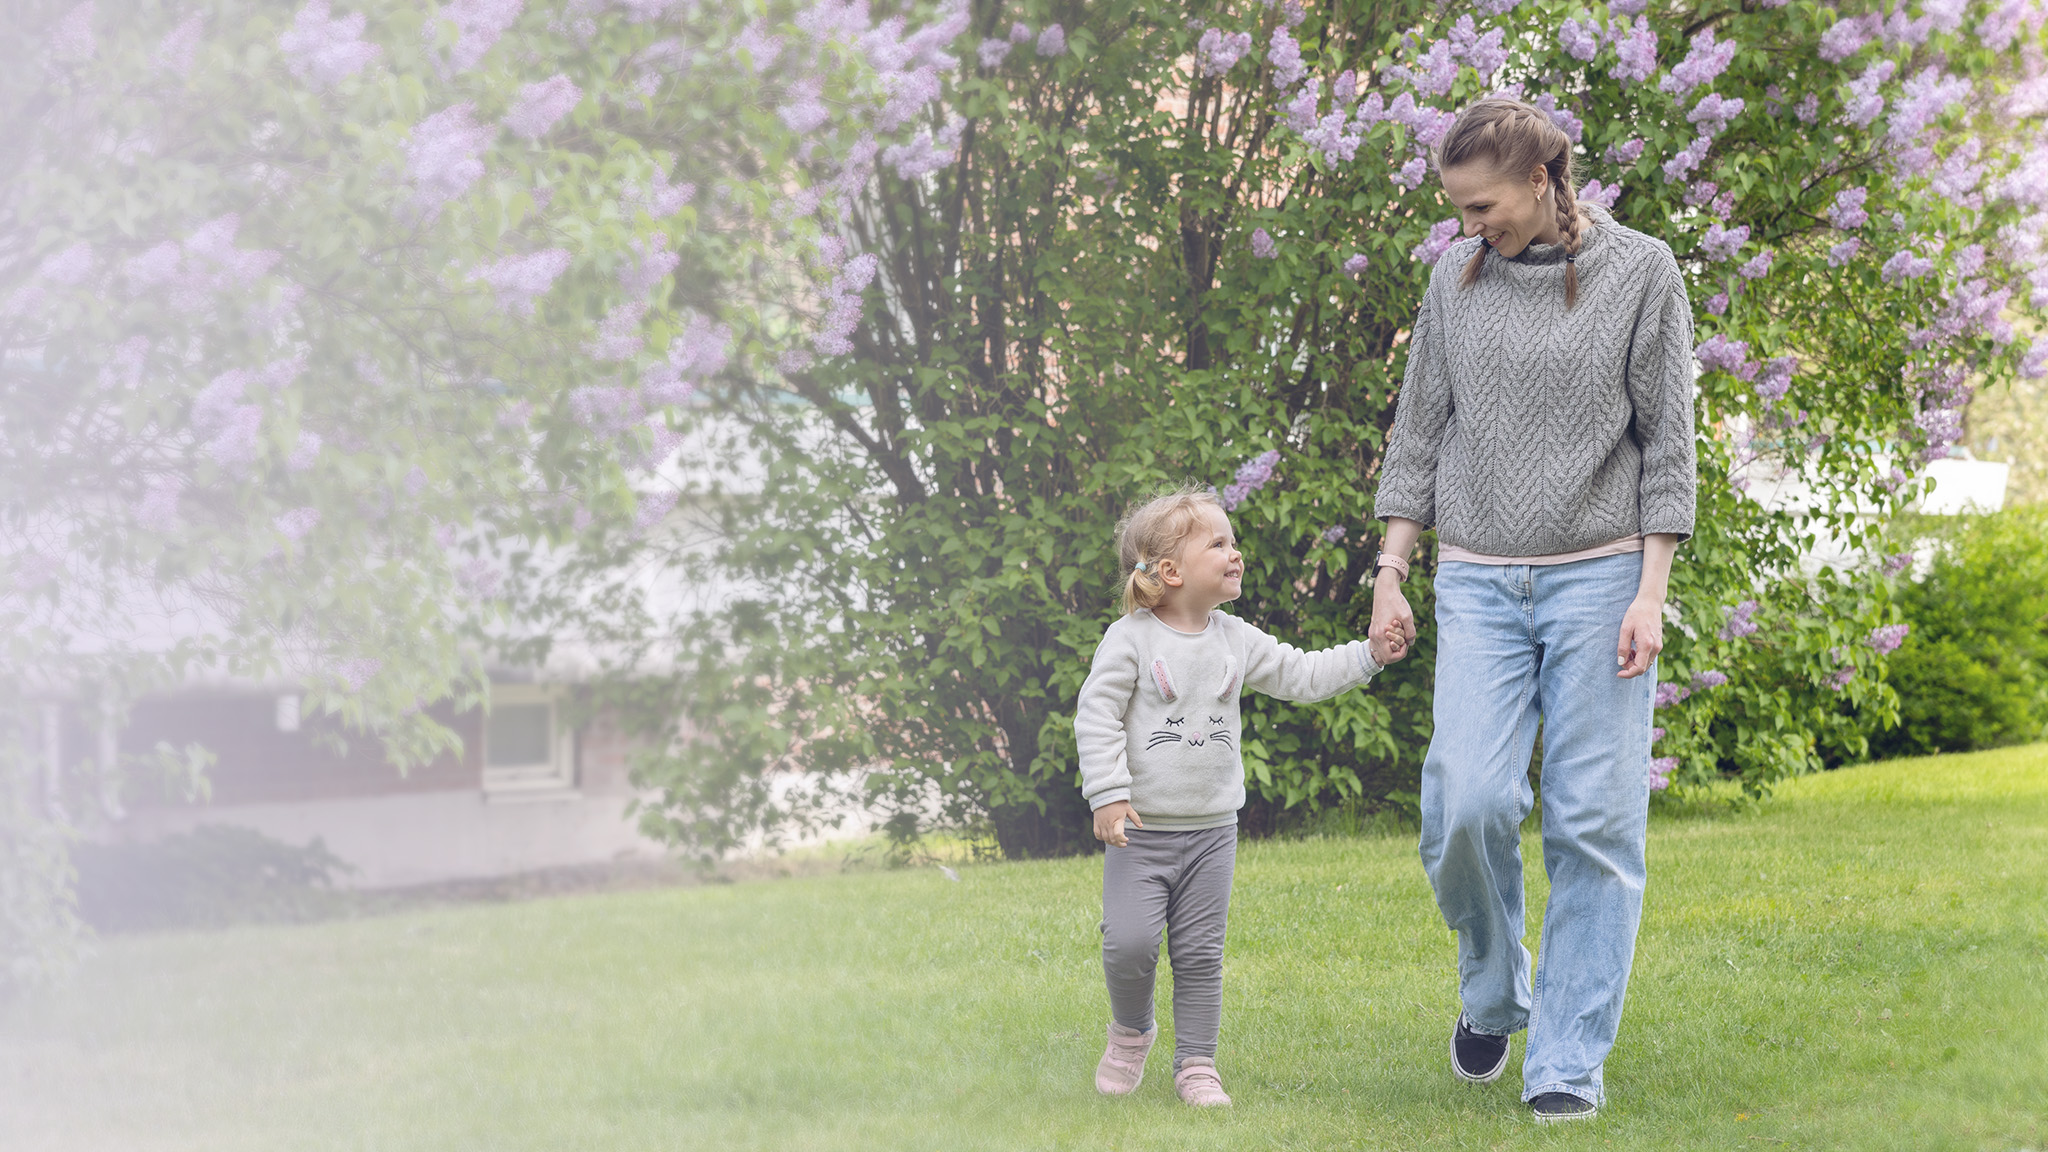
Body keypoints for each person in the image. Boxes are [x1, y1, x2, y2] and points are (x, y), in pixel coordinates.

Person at [1368, 97, 1698, 1124]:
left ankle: (1564, 1056)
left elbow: (1666, 446)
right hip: (1474, 578)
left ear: (1541, 178)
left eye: (1482, 206)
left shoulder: (1639, 272)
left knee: (1593, 823)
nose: (1471, 226)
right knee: (1461, 802)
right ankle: (1492, 986)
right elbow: (1419, 428)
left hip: (1599, 578)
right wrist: (1391, 566)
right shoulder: (1451, 277)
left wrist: (1651, 591)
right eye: (1458, 210)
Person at [1074, 485, 1403, 1107]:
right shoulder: (1130, 640)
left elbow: (1301, 674)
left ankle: (1197, 1064)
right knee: (1129, 943)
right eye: (1218, 543)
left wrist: (1370, 655)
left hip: (1211, 833)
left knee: (1199, 954)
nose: (1236, 553)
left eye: (1234, 541)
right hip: (1142, 831)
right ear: (1170, 570)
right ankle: (1131, 1030)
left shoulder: (1236, 638)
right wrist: (1109, 795)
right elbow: (1096, 717)